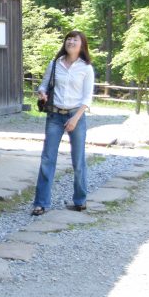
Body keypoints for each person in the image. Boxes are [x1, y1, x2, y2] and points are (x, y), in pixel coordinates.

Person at [32, 30, 95, 215]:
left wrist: (75, 119)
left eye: (75, 39)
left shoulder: (86, 68)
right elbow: (44, 84)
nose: (71, 42)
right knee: (47, 159)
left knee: (78, 160)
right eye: (68, 39)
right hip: (54, 115)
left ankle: (80, 200)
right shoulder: (55, 64)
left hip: (76, 114)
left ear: (82, 44)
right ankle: (41, 203)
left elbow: (87, 98)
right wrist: (42, 93)